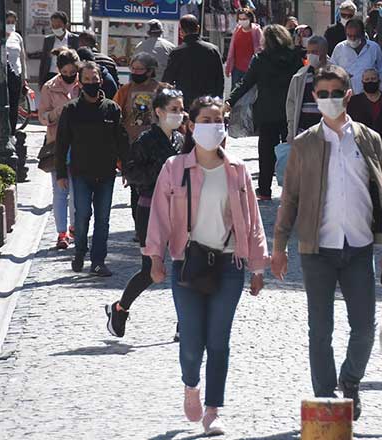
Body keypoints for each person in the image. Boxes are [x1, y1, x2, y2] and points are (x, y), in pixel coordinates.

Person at [272, 64, 382, 421]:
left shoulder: (369, 139)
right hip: (318, 251)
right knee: (320, 330)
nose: (329, 99)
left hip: (359, 248)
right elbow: (290, 198)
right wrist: (279, 246)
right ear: (315, 97)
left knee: (364, 327)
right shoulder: (305, 143)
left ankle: (351, 379)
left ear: (347, 95)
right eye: (322, 93)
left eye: (335, 93)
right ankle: (325, 401)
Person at [144, 96, 268, 436]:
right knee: (191, 340)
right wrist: (155, 257)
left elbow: (252, 220)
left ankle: (213, 409)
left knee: (219, 340)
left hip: (229, 265)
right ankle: (190, 386)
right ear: (192, 125)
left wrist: (258, 267)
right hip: (188, 264)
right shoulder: (174, 168)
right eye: (207, 120)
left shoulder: (237, 169)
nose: (214, 126)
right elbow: (158, 215)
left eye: (219, 120)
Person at [105, 88, 184, 338]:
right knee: (152, 271)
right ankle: (120, 308)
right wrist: (161, 173)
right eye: (173, 110)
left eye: (181, 110)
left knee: (184, 266)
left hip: (179, 210)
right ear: (159, 112)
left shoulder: (180, 141)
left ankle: (185, 324)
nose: (179, 114)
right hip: (150, 210)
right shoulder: (145, 140)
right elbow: (131, 172)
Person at [55, 61, 129, 276]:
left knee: (103, 219)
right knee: (82, 215)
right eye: (86, 80)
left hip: (106, 173)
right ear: (80, 82)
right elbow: (62, 143)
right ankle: (80, 252)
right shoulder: (71, 110)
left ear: (100, 80)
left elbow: (121, 140)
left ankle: (98, 261)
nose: (91, 83)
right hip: (80, 172)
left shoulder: (112, 108)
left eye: (94, 79)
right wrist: (61, 173)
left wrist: (126, 168)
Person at [228, 24, 304, 201]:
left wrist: (229, 101)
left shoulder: (260, 59)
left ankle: (264, 190)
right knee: (291, 150)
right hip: (290, 111)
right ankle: (292, 190)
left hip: (267, 112)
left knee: (266, 153)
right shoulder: (295, 58)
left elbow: (245, 84)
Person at [38, 48, 80, 250]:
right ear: (59, 69)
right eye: (67, 72)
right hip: (57, 144)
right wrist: (59, 111)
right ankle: (61, 232)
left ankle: (74, 228)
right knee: (60, 190)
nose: (71, 76)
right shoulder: (49, 87)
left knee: (78, 190)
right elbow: (42, 117)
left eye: (74, 72)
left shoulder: (85, 82)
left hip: (81, 144)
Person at [163, 15, 225, 107]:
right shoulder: (213, 50)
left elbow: (168, 80)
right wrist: (217, 102)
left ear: (181, 31)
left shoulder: (177, 52)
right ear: (198, 28)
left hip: (185, 104)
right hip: (208, 104)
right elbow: (220, 80)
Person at [114, 52, 166, 143]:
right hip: (130, 142)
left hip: (156, 142)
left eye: (139, 69)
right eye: (132, 68)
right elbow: (115, 112)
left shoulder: (162, 90)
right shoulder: (125, 90)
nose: (134, 72)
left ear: (150, 71)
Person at [331, 18, 382, 96]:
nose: (352, 39)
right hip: (346, 98)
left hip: (371, 98)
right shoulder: (339, 48)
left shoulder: (373, 48)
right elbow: (332, 72)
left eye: (355, 36)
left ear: (362, 34)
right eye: (349, 36)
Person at [287, 35, 330, 140]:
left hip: (328, 133)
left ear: (324, 52)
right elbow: (291, 104)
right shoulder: (300, 76)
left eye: (314, 52)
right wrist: (291, 131)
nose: (310, 55)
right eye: (308, 52)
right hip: (303, 132)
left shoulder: (336, 74)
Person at [33, 11, 79, 89]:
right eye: (53, 26)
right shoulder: (48, 40)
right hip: (51, 74)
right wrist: (41, 81)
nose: (56, 28)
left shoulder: (75, 39)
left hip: (69, 75)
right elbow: (44, 60)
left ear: (65, 25)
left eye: (58, 25)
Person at [225, 8, 264, 89]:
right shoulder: (237, 30)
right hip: (237, 69)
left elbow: (262, 48)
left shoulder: (256, 31)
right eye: (240, 19)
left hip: (251, 69)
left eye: (244, 19)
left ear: (250, 18)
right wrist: (228, 67)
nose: (242, 21)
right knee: (235, 93)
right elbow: (232, 50)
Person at [5, 11, 28, 84]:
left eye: (13, 22)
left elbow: (22, 58)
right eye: (8, 22)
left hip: (17, 73)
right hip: (2, 75)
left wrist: (24, 77)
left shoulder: (18, 37)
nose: (10, 24)